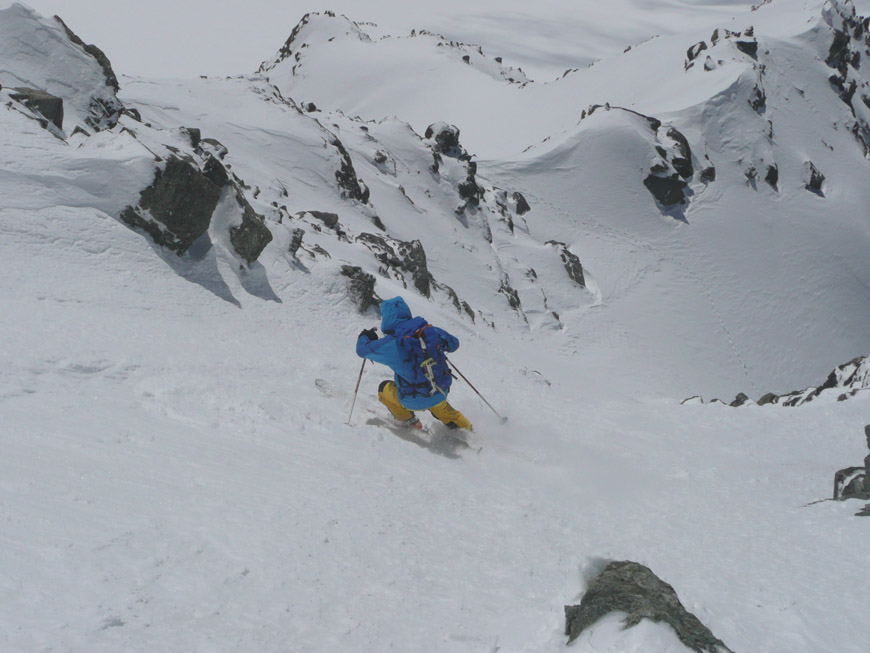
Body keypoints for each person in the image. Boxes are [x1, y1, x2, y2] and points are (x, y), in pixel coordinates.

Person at [356, 296, 472, 431]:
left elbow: (362, 350)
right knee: (437, 401)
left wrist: (365, 336)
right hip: (439, 391)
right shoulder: (430, 333)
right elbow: (454, 344)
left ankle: (408, 421)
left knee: (384, 388)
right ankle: (469, 431)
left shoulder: (390, 344)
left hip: (410, 399)